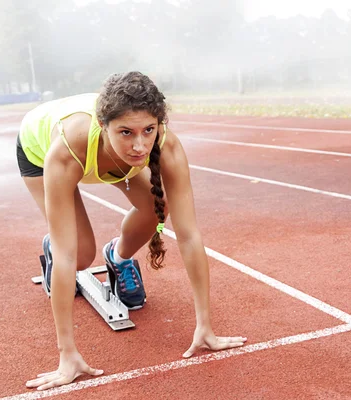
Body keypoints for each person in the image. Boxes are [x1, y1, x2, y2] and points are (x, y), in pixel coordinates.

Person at [16, 71, 247, 391]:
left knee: (157, 208)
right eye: (126, 132)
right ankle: (53, 239)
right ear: (103, 126)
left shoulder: (165, 144)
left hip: (106, 156)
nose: (139, 145)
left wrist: (205, 326)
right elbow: (67, 256)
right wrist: (67, 354)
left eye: (148, 130)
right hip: (38, 150)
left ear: (159, 125)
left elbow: (190, 235)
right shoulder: (68, 149)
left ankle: (118, 255)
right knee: (78, 254)